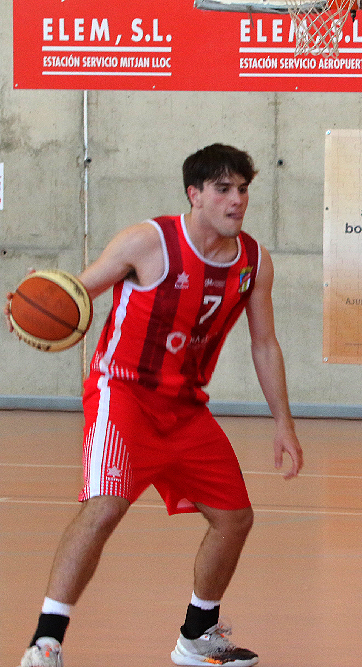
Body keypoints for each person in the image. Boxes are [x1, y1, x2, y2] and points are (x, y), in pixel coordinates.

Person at [6, 144, 304, 667]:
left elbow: (264, 344)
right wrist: (37, 308)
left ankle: (198, 637)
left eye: (243, 190)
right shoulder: (150, 241)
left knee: (234, 519)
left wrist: (283, 421)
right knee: (104, 507)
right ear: (195, 194)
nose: (237, 201)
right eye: (224, 190)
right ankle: (46, 643)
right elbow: (79, 291)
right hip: (122, 394)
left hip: (185, 407)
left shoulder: (253, 260)